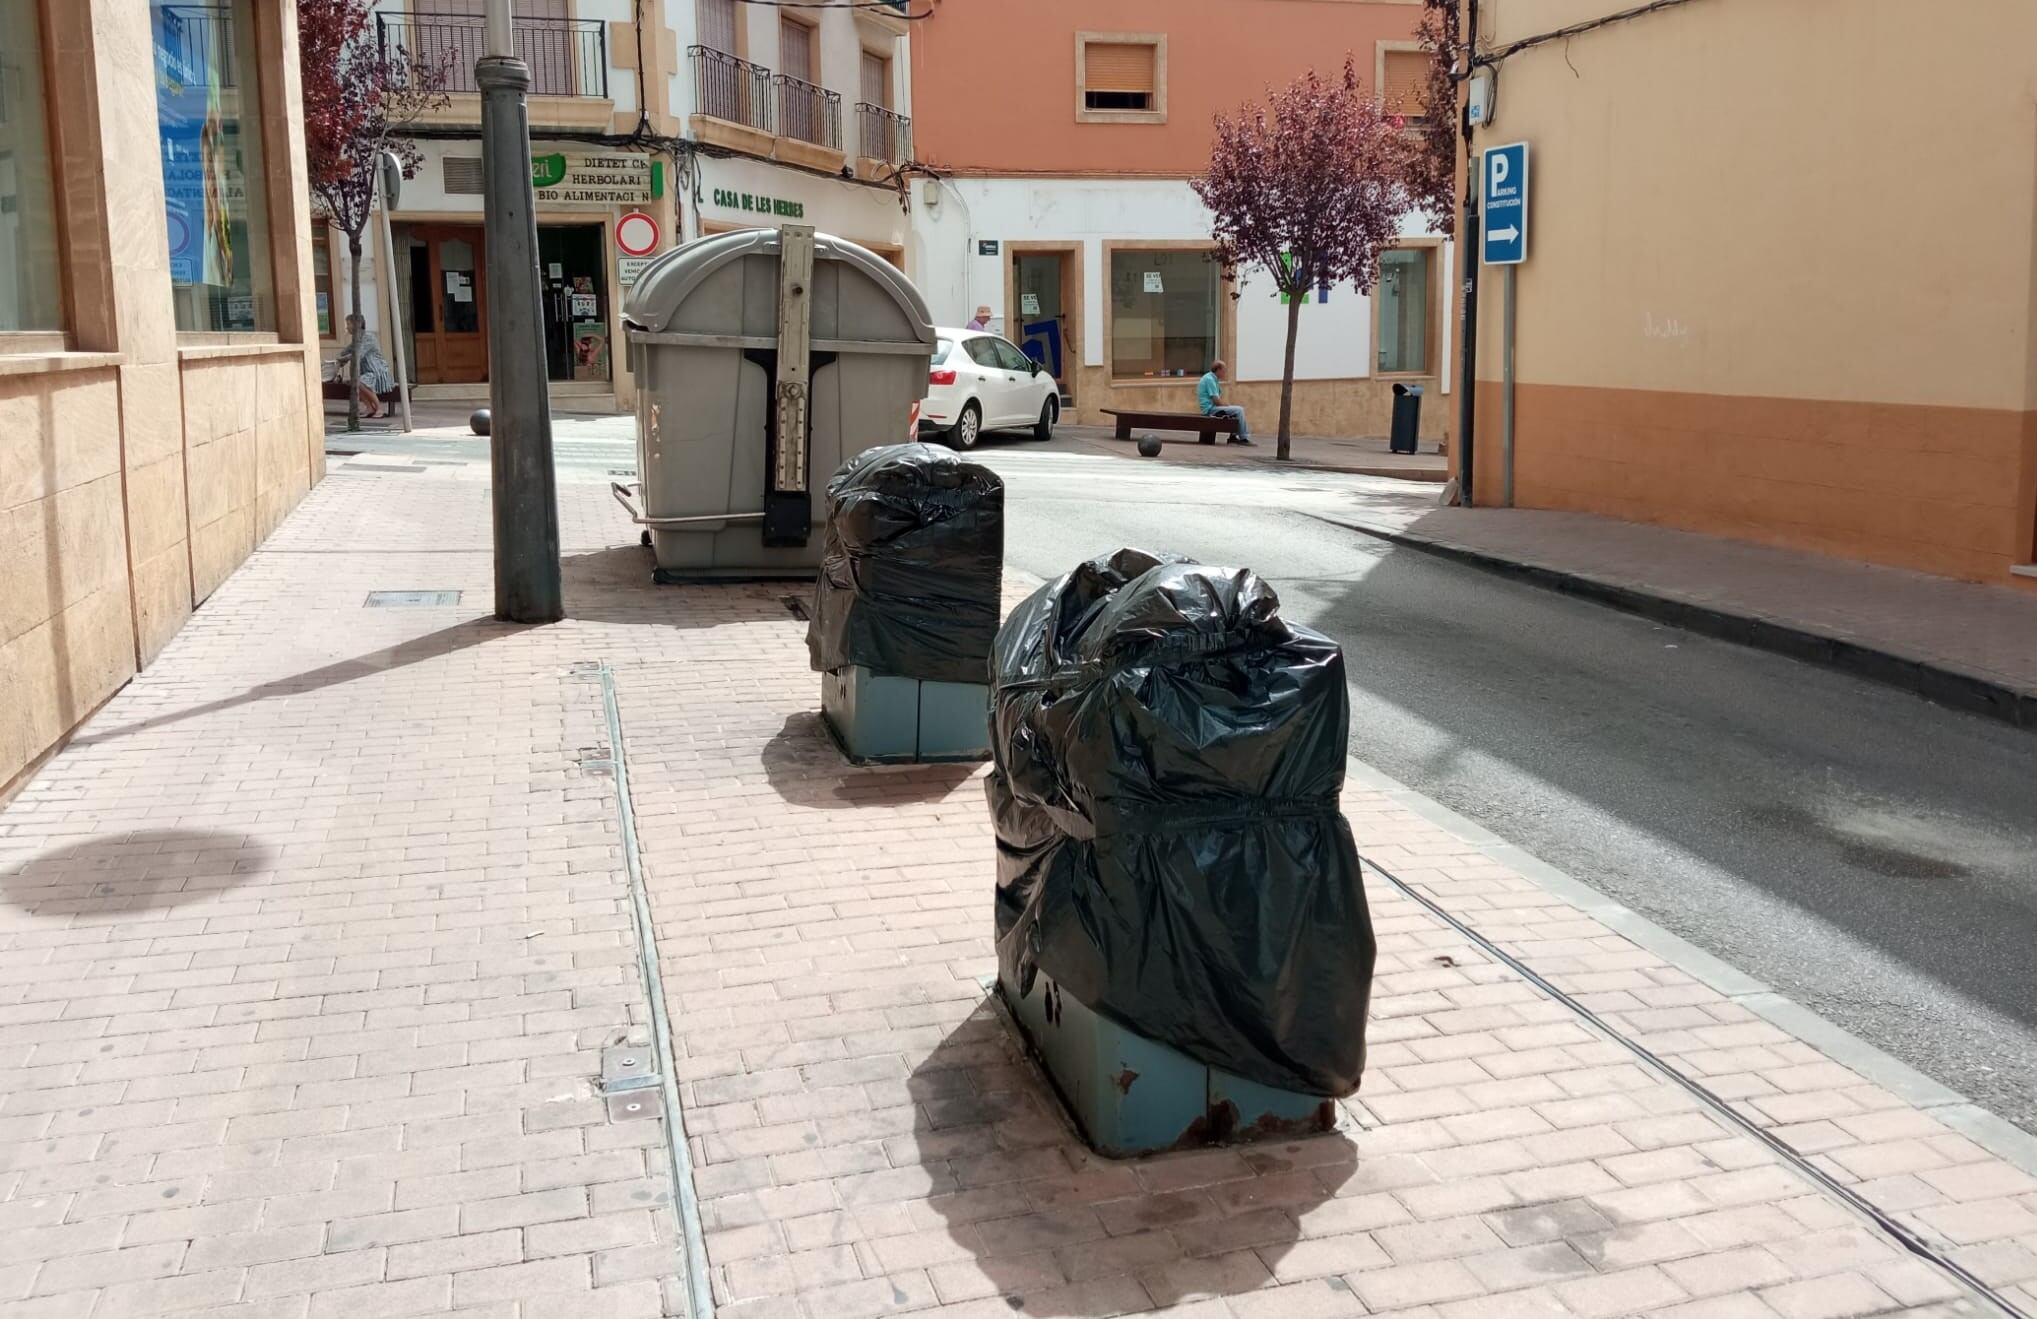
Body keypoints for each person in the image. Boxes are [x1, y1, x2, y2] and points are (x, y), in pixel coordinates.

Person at [339, 314, 397, 419]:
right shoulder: (357, 339)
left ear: (358, 324)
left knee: (359, 381)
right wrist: (339, 358)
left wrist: (343, 359)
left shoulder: (368, 337)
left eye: (348, 324)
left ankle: (379, 408)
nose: (347, 327)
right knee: (352, 381)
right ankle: (369, 407)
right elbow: (345, 352)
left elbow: (358, 354)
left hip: (377, 372)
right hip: (367, 373)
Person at [1197, 359, 1253, 445]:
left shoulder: (1212, 378)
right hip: (1210, 409)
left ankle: (1233, 436)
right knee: (1239, 410)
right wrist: (1225, 405)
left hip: (1211, 407)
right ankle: (1243, 438)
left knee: (1235, 411)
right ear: (1218, 370)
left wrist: (1226, 406)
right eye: (1224, 370)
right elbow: (1216, 400)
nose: (1225, 373)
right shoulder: (1209, 379)